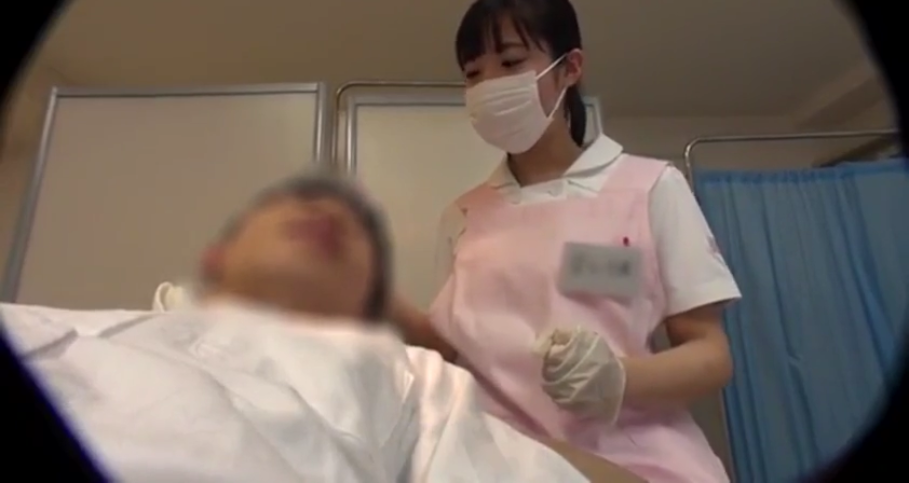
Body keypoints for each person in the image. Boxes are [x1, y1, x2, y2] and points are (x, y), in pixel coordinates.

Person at [7, 173, 647, 482]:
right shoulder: (53, 327)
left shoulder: (407, 386)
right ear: (216, 258)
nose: (325, 209)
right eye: (292, 202)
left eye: (359, 230)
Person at [389, 0, 742, 483]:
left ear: (570, 68)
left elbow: (711, 354)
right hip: (500, 461)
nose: (489, 85)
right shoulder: (463, 216)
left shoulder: (650, 188)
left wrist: (619, 378)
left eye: (511, 62)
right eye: (473, 73)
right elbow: (448, 351)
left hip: (633, 459)